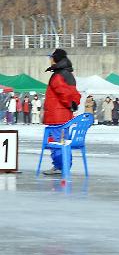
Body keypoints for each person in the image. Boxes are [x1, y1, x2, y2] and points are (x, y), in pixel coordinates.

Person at [42, 48, 81, 176]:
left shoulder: (57, 75)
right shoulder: (68, 74)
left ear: (56, 59)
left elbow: (63, 93)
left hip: (56, 116)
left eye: (51, 57)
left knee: (56, 142)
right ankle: (63, 165)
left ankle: (60, 165)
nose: (50, 60)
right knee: (63, 141)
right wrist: (73, 104)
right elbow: (74, 93)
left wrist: (70, 104)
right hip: (64, 116)